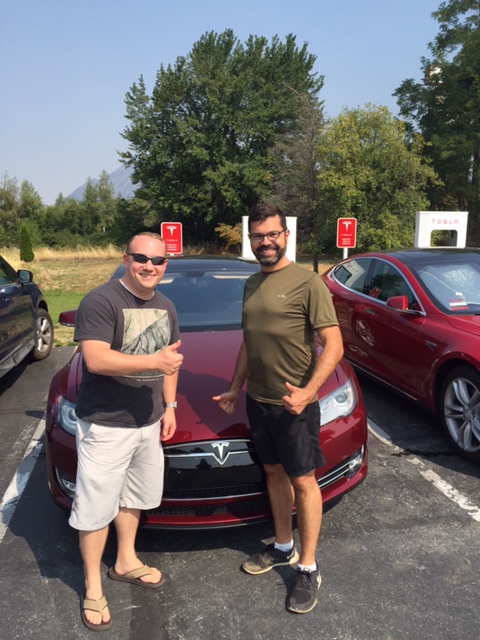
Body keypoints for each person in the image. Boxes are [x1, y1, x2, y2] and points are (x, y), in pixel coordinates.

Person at [213, 204, 343, 614]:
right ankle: (284, 546)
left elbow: (334, 346)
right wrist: (235, 387)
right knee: (272, 472)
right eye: (257, 236)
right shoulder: (251, 284)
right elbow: (250, 342)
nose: (265, 242)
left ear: (286, 235)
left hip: (294, 406)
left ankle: (308, 566)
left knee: (303, 481)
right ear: (249, 241)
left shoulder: (308, 284)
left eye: (272, 235)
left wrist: (307, 393)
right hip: (259, 401)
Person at [69, 232, 183, 631]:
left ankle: (125, 560)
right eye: (141, 258)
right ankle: (93, 585)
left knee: (134, 497)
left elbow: (172, 361)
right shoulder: (101, 301)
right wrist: (151, 359)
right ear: (125, 259)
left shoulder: (166, 306)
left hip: (147, 423)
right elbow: (96, 359)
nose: (150, 266)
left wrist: (169, 406)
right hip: (105, 425)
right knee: (96, 506)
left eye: (158, 260)